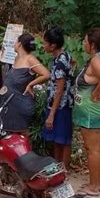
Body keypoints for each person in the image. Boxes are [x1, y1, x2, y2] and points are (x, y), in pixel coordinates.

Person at [73, 28, 100, 197]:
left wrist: (95, 93)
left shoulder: (97, 60)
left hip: (91, 110)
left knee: (92, 149)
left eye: (85, 41)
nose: (83, 44)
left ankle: (93, 186)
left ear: (92, 45)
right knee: (99, 146)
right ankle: (98, 182)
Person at [0, 33, 50, 135]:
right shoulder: (16, 58)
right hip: (9, 104)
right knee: (10, 135)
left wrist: (31, 84)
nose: (14, 44)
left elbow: (46, 74)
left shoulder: (30, 59)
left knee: (23, 134)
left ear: (19, 44)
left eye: (15, 42)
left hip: (21, 103)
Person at [42, 27, 74, 169]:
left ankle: (63, 167)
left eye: (45, 43)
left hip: (61, 105)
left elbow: (59, 90)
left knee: (63, 138)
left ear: (52, 45)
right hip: (61, 104)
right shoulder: (64, 56)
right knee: (58, 138)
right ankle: (57, 166)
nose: (43, 46)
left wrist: (52, 114)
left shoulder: (59, 63)